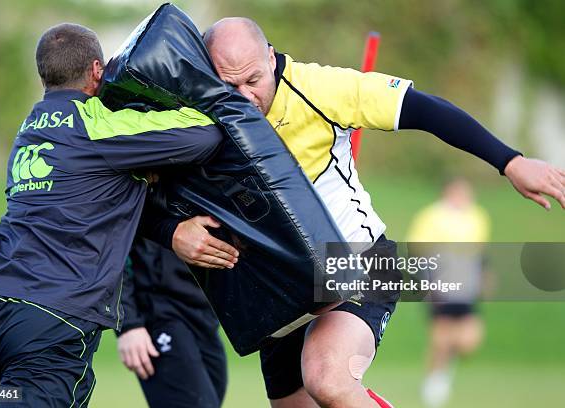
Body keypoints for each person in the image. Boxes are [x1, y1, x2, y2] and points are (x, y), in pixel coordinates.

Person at [202, 17, 565, 408]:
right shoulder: (200, 110)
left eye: (253, 80)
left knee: (329, 379)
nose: (244, 97)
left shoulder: (321, 89)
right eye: (229, 85)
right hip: (279, 288)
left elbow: (425, 110)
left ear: (271, 58)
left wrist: (510, 162)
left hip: (357, 261)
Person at [0, 23, 237, 407]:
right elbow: (204, 134)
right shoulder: (98, 124)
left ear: (44, 76)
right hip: (50, 325)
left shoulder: (27, 132)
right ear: (98, 71)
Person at [116, 202, 227, 408]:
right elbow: (108, 243)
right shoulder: (135, 173)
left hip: (204, 311)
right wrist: (128, 323)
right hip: (156, 310)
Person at [407, 178, 490, 408]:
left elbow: (480, 251)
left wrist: (485, 275)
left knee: (469, 340)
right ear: (448, 192)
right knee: (441, 338)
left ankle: (445, 367)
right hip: (440, 285)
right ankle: (434, 381)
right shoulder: (431, 216)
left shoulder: (477, 216)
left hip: (466, 287)